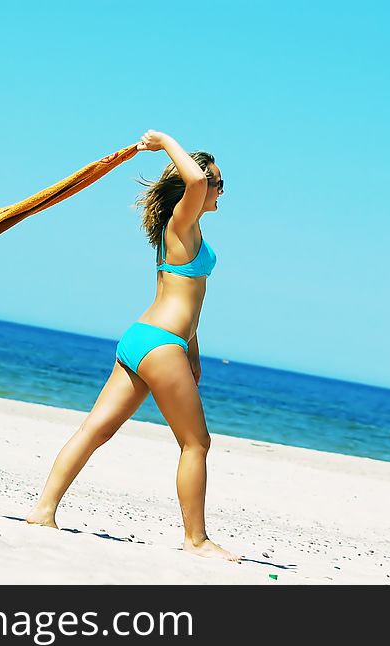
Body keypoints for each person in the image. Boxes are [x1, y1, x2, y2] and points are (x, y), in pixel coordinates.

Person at [26, 129, 240, 562]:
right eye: (216, 181)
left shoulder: (186, 231)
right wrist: (164, 141)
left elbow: (186, 303)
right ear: (193, 185)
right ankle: (196, 540)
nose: (220, 189)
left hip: (147, 339)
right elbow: (194, 183)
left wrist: (193, 353)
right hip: (160, 344)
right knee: (196, 443)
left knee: (95, 429)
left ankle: (43, 511)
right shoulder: (180, 224)